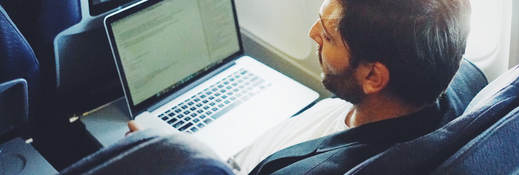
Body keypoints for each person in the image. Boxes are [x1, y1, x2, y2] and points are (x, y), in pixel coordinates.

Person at [129, 0, 471, 174]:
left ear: (373, 78)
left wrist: (163, 154)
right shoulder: (459, 86)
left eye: (328, 34)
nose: (312, 34)